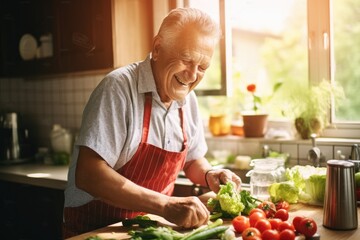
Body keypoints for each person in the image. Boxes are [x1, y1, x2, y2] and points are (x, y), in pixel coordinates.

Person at [63, 7, 242, 238]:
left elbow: (192, 160)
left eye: (203, 67)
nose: (191, 75)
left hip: (149, 231)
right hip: (96, 231)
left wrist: (210, 174)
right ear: (157, 48)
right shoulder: (118, 88)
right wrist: (165, 205)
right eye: (187, 60)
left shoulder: (188, 99)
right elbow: (89, 174)